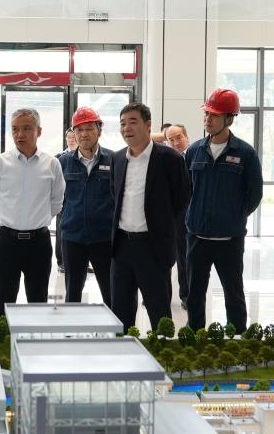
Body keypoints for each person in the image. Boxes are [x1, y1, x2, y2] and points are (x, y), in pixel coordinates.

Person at [183, 89, 263, 333]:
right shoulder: (194, 151)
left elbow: (254, 194)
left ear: (229, 119)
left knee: (233, 292)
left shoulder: (245, 153)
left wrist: (234, 216)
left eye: (214, 115)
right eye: (207, 114)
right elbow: (185, 190)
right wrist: (193, 215)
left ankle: (237, 337)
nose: (208, 119)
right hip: (197, 237)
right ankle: (195, 336)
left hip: (230, 239)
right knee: (194, 294)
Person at [109, 103, 190, 331]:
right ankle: (124, 351)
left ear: (148, 125)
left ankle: (163, 351)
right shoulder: (117, 159)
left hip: (153, 247)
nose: (126, 128)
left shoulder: (170, 159)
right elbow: (114, 196)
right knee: (120, 314)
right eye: (122, 124)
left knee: (159, 313)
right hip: (121, 247)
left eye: (132, 122)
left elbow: (182, 198)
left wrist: (163, 227)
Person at [0, 108, 65, 322]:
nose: (20, 134)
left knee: (38, 302)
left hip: (38, 242)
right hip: (6, 242)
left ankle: (36, 341)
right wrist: (8, 221)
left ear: (39, 131)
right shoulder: (0, 163)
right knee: (3, 302)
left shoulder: (52, 164)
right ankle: (2, 340)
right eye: (15, 129)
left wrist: (38, 220)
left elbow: (57, 201)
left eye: (27, 128)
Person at [58, 107, 115, 304]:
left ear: (100, 129)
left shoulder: (114, 160)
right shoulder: (63, 162)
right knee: (73, 293)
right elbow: (56, 197)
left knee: (111, 292)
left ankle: (115, 325)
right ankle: (72, 326)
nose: (84, 134)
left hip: (105, 239)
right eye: (79, 129)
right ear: (73, 133)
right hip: (73, 238)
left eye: (89, 128)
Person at [164, 123, 191, 307]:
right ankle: (162, 295)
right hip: (167, 217)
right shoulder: (165, 158)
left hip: (188, 216)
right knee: (164, 258)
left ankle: (186, 296)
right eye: (171, 140)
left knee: (185, 258)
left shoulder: (195, 155)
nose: (176, 143)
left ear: (186, 137)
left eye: (179, 137)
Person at [55, 128, 78, 271]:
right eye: (69, 137)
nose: (71, 140)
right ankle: (61, 262)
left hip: (78, 201)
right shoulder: (59, 158)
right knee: (61, 232)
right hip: (63, 202)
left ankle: (80, 262)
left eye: (73, 137)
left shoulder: (84, 156)